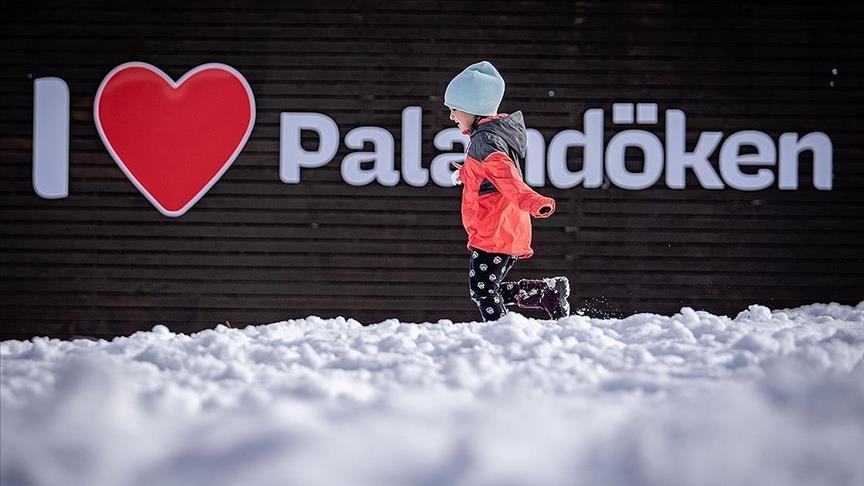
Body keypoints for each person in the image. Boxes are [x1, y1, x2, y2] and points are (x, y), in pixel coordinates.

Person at [445, 60, 571, 321]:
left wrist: (534, 202)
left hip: (495, 229)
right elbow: (487, 175)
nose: (451, 116)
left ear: (472, 108)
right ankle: (544, 293)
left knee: (482, 291)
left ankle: (499, 331)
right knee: (485, 289)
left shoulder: (486, 142)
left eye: (455, 109)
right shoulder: (488, 137)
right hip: (502, 227)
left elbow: (508, 180)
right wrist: (465, 173)